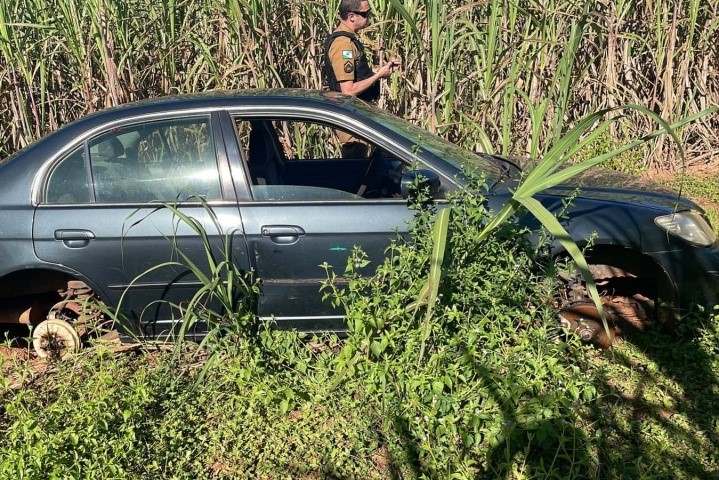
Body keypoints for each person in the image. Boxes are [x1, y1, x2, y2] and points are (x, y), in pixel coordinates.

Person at [323, 0, 400, 156]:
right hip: (350, 120)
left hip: (356, 116)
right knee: (355, 161)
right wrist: (378, 75)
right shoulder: (343, 45)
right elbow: (348, 90)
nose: (369, 17)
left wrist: (380, 70)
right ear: (352, 16)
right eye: (365, 14)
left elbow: (355, 75)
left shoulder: (349, 41)